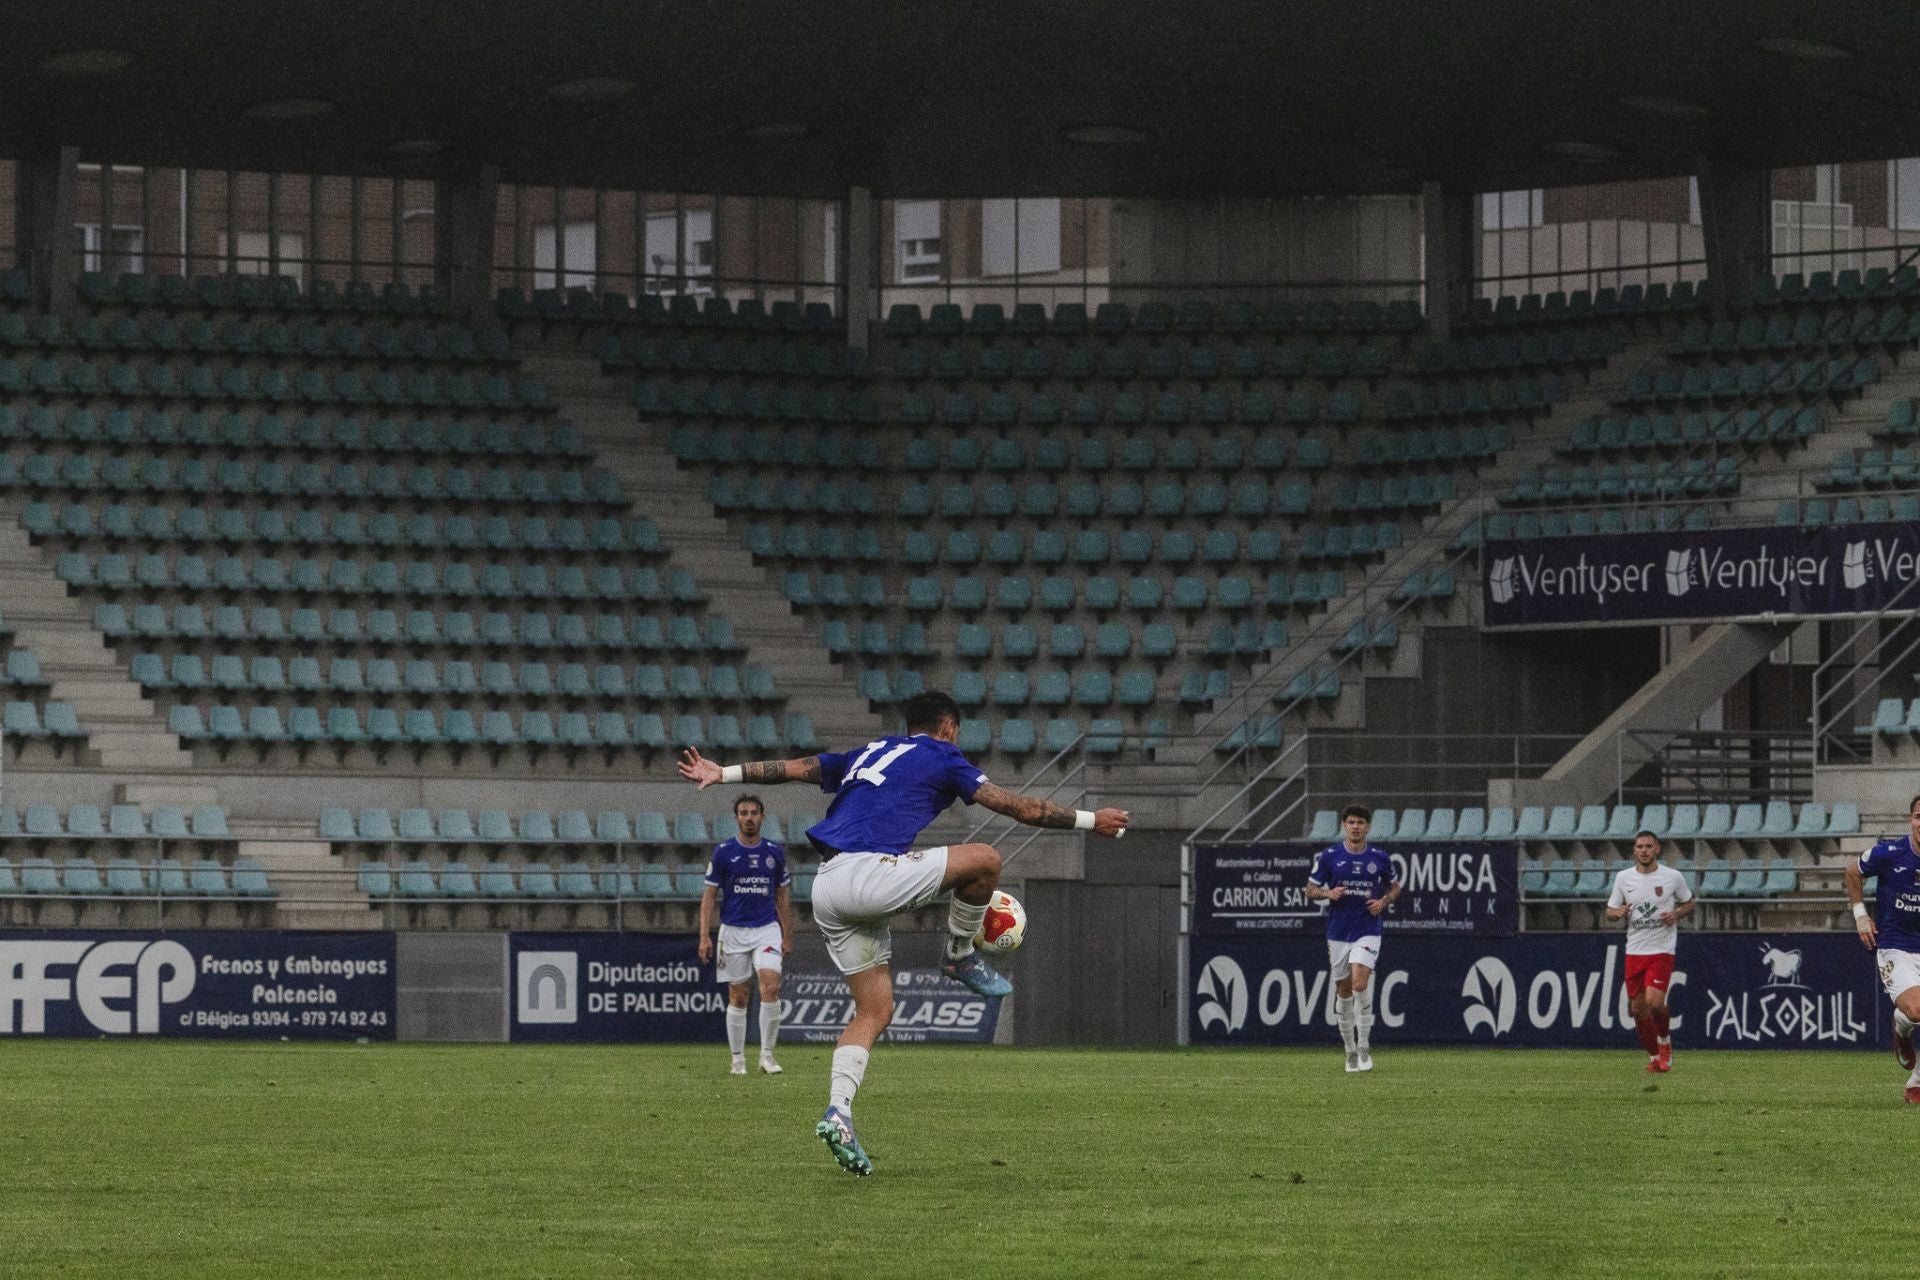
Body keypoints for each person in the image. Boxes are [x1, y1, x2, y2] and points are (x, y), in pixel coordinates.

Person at [678, 689, 1129, 1176]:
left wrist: (723, 773)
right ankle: (959, 953)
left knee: (874, 1010)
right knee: (986, 860)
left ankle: (838, 1112)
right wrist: (1092, 820)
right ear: (949, 727)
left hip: (827, 887)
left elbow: (793, 767)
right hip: (869, 875)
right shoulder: (943, 754)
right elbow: (1018, 808)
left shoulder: (869, 751)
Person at [697, 793, 792, 1077]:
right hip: (733, 931)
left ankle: (767, 1056)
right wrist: (704, 936)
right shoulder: (724, 852)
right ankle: (737, 1060)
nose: (749, 818)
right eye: (743, 813)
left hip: (766, 929)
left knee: (770, 987)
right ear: (736, 818)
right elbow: (709, 897)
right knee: (738, 995)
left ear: (762, 817)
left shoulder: (774, 852)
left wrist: (787, 934)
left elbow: (782, 897)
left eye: (753, 813)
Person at [1303, 805, 1401, 1072]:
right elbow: (1309, 889)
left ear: (1368, 827)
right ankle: (1350, 1052)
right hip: (1338, 932)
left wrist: (1383, 902)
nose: (1355, 827)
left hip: (1367, 928)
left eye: (1360, 823)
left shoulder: (1379, 857)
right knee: (1343, 991)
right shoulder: (1330, 856)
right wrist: (1328, 893)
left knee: (1359, 983)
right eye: (1351, 822)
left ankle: (1364, 1046)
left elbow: (1395, 888)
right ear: (1344, 826)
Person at [1846, 795, 1920, 1103]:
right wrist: (1861, 916)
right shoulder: (1890, 853)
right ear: (1910, 820)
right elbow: (1853, 871)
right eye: (1919, 816)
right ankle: (1902, 1025)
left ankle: (1917, 1082)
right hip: (1896, 945)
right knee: (1916, 1010)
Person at [1603, 830, 1694, 1073]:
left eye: (1648, 846)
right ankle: (1655, 1057)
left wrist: (1676, 914)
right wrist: (1617, 913)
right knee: (1637, 1009)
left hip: (1661, 949)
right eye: (1640, 847)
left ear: (1657, 849)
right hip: (1634, 950)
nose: (1644, 851)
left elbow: (1688, 902)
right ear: (1634, 850)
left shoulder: (1672, 876)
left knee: (1655, 1003)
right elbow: (1609, 911)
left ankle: (1664, 1042)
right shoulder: (1623, 878)